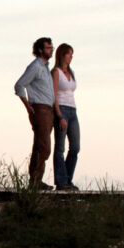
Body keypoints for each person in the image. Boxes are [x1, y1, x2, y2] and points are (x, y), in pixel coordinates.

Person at [13, 36, 55, 188]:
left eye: (51, 47)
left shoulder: (45, 68)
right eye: (48, 48)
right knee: (43, 145)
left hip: (48, 109)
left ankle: (37, 180)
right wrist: (28, 105)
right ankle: (35, 181)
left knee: (43, 145)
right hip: (40, 108)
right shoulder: (36, 66)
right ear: (40, 50)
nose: (51, 50)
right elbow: (19, 85)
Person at [52, 42, 80, 190]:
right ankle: (61, 181)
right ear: (62, 55)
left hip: (73, 110)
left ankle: (68, 178)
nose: (71, 57)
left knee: (75, 147)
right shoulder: (56, 72)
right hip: (62, 109)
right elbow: (54, 94)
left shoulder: (71, 72)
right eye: (69, 54)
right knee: (60, 147)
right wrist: (59, 115)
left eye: (72, 54)